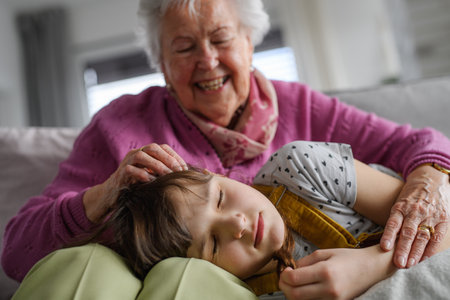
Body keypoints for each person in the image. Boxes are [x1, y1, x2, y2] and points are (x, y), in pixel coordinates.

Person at [2, 0, 450, 282]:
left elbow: (421, 145)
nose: (207, 61)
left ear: (250, 43)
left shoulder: (303, 115)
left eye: (220, 38)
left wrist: (426, 190)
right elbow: (17, 254)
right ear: (161, 62)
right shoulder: (119, 125)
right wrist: (102, 195)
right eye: (183, 48)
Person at [87, 141, 450, 299]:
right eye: (213, 243)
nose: (237, 225)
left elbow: (442, 223)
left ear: (222, 176)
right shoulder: (254, 293)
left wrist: (372, 265)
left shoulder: (300, 168)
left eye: (221, 198)